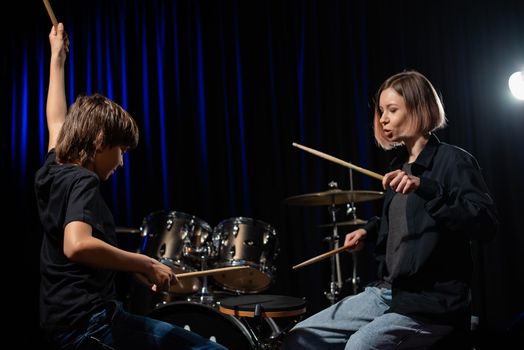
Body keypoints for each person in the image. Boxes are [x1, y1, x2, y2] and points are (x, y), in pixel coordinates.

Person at [35, 23, 227, 350]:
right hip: (91, 324)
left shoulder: (56, 166)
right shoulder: (83, 180)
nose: (122, 162)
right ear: (99, 142)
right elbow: (76, 245)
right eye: (120, 150)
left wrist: (57, 58)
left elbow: (56, 120)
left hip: (62, 324)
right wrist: (146, 263)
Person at [281, 70, 499, 349]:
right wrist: (367, 230)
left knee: (360, 346)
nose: (382, 118)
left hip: (432, 302)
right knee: (300, 338)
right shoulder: (397, 166)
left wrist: (426, 187)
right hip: (387, 292)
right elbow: (403, 223)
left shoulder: (454, 161)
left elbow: (485, 223)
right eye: (381, 110)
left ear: (419, 108)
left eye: (392, 110)